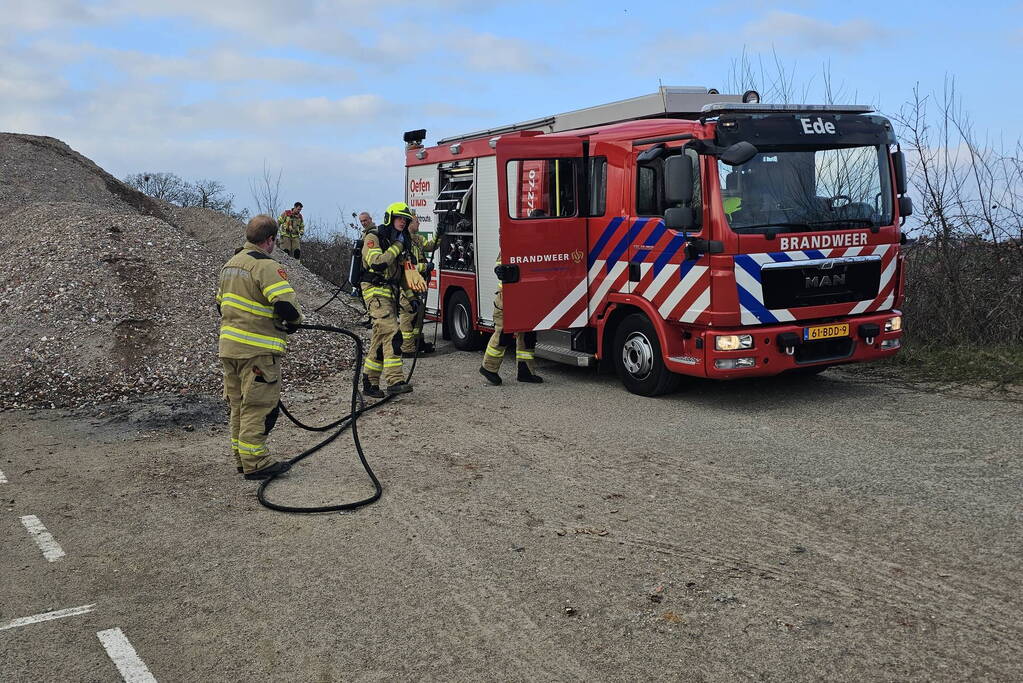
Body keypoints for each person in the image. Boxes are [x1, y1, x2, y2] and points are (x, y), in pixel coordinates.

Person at [217, 215, 303, 480]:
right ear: (270, 240)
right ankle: (256, 462)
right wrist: (294, 322)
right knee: (258, 407)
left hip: (229, 349)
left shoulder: (230, 264)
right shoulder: (264, 265)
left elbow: (220, 305)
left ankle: (242, 459)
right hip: (257, 351)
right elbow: (286, 306)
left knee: (239, 406)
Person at [360, 201, 415, 397]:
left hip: (390, 294)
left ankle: (370, 382)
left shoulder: (401, 239)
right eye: (400, 218)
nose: (403, 222)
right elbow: (377, 263)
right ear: (390, 218)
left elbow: (401, 274)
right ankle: (395, 380)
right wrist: (397, 246)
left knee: (379, 338)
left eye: (406, 220)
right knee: (393, 332)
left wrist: (410, 297)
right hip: (374, 291)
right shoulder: (374, 237)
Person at [479, 252, 543, 385]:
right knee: (504, 334)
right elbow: (499, 263)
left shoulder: (532, 242)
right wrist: (500, 270)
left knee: (527, 335)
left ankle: (525, 371)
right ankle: (488, 368)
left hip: (526, 296)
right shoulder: (511, 240)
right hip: (507, 297)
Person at [395, 212, 444, 357]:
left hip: (419, 284)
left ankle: (417, 343)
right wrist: (424, 267)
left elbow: (430, 246)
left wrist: (439, 235)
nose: (419, 224)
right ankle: (407, 349)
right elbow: (405, 267)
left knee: (418, 316)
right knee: (408, 316)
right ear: (410, 223)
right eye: (417, 222)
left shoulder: (417, 239)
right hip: (408, 285)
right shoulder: (402, 241)